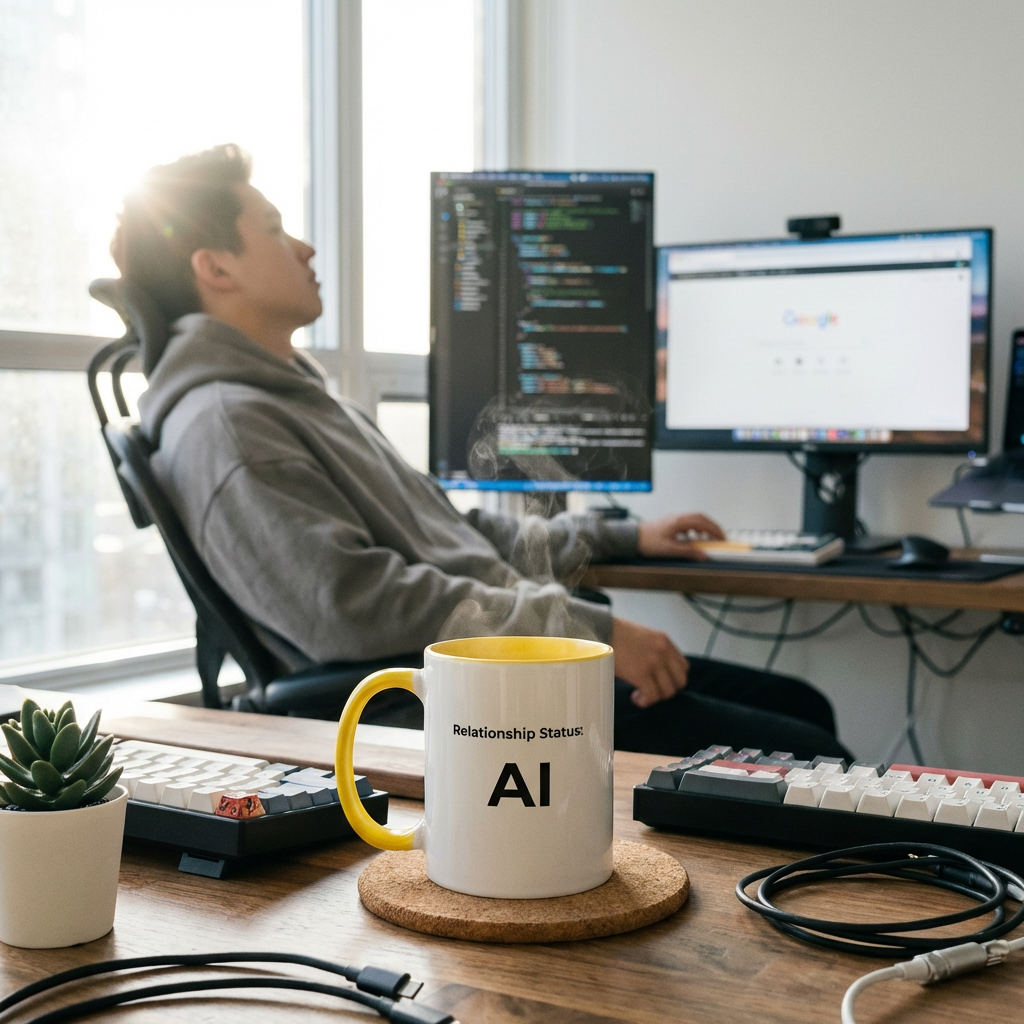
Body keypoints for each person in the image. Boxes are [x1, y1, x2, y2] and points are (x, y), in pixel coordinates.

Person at [112, 144, 851, 760]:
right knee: (814, 760)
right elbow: (355, 610)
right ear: (217, 268)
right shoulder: (229, 428)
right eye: (274, 229)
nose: (304, 247)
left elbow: (457, 530)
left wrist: (627, 536)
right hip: (469, 710)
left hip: (510, 677)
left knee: (807, 704)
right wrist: (589, 634)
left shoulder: (293, 400)